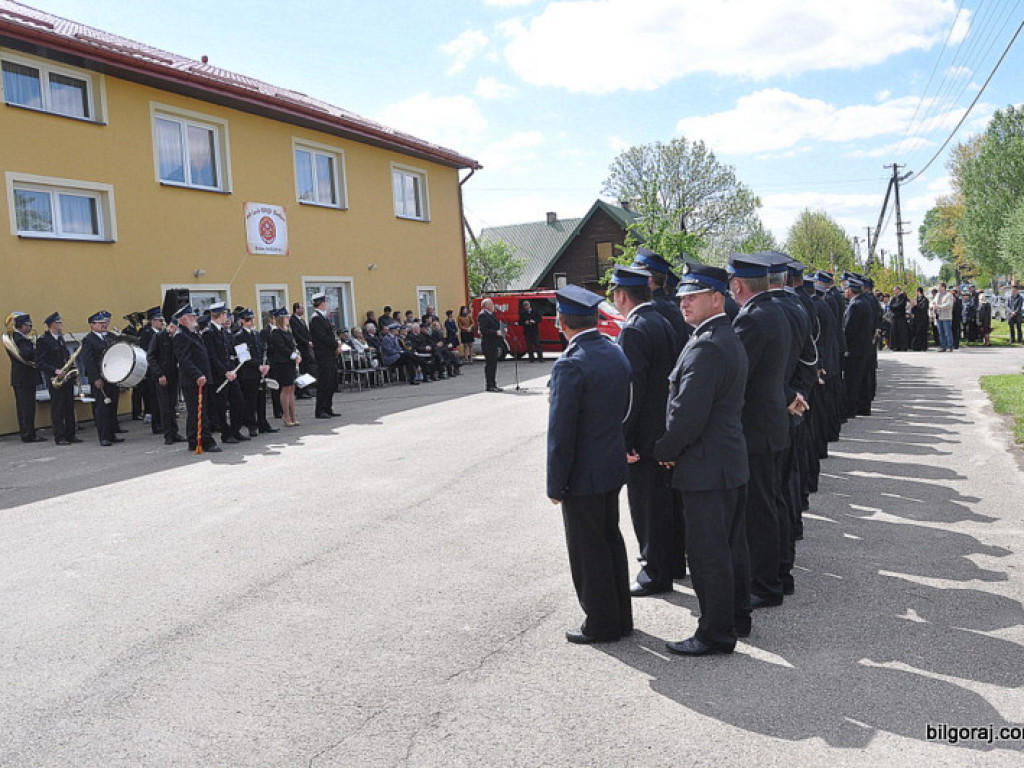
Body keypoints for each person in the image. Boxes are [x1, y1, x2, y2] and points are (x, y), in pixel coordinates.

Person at [655, 264, 751, 655]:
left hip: (706, 466)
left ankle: (714, 633)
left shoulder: (707, 345)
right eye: (681, 297)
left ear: (717, 297)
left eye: (692, 296)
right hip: (725, 461)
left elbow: (687, 414)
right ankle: (737, 617)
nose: (683, 303)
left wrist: (665, 450)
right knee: (730, 549)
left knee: (709, 554)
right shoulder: (722, 336)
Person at [547, 284, 633, 644]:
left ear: (560, 321)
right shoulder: (613, 352)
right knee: (610, 541)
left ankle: (601, 622)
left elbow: (561, 434)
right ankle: (619, 616)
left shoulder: (570, 364)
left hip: (583, 473)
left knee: (588, 550)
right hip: (610, 465)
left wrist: (555, 484)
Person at [608, 264, 680, 597]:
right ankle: (672, 562)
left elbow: (631, 390)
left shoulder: (634, 329)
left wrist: (624, 437)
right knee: (665, 504)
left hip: (645, 436)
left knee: (647, 506)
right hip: (662, 428)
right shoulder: (661, 320)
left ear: (621, 295)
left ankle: (655, 571)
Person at [728, 253, 791, 609]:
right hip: (771, 422)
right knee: (770, 501)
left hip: (756, 426)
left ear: (737, 285)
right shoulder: (775, 310)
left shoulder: (751, 319)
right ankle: (777, 574)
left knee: (758, 509)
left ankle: (765, 584)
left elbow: (739, 374)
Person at [171, 305, 220, 453]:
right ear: (183, 319)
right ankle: (206, 441)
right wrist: (197, 374)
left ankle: (193, 439)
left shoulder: (192, 333)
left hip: (201, 377)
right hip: (193, 380)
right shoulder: (181, 335)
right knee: (199, 411)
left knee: (197, 411)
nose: (195, 319)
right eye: (192, 317)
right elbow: (184, 360)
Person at [203, 303, 249, 445]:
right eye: (225, 314)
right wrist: (224, 372)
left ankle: (235, 430)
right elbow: (212, 356)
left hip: (230, 373)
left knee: (239, 401)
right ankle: (226, 433)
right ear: (220, 315)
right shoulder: (208, 332)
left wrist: (241, 356)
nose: (227, 318)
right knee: (221, 407)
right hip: (219, 376)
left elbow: (229, 351)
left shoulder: (224, 331)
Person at [78, 310, 123, 447]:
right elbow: (88, 361)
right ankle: (104, 436)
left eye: (105, 323)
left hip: (112, 376)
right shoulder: (88, 340)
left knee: (112, 406)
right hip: (100, 378)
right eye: (100, 323)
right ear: (92, 325)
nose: (104, 325)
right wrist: (95, 378)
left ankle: (112, 434)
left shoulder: (109, 336)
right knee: (102, 408)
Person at [35, 312, 80, 446]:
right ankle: (60, 437)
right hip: (55, 379)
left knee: (69, 406)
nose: (62, 325)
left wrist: (72, 370)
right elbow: (39, 362)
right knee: (58, 408)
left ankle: (71, 435)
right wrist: (55, 371)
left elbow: (65, 356)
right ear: (53, 325)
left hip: (66, 377)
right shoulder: (43, 341)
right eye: (60, 323)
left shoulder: (60, 338)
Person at [234, 308, 277, 436]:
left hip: (260, 371)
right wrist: (258, 366)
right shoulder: (239, 336)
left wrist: (266, 365)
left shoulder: (256, 334)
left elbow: (262, 352)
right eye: (248, 320)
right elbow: (243, 357)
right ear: (241, 321)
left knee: (261, 399)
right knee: (250, 400)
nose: (251, 321)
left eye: (252, 319)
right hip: (248, 372)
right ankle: (251, 424)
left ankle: (263, 423)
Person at [5, 312, 46, 443]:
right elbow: (27, 354)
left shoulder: (18, 337)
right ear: (22, 326)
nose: (30, 328)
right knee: (26, 408)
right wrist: (37, 348)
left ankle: (28, 432)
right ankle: (28, 434)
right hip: (24, 378)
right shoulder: (19, 339)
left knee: (25, 407)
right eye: (28, 325)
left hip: (22, 378)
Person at [147, 314, 186, 445]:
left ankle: (175, 432)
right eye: (174, 327)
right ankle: (168, 435)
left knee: (172, 406)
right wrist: (159, 374)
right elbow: (151, 357)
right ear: (170, 326)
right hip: (162, 377)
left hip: (174, 376)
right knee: (165, 407)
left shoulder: (177, 338)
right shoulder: (158, 337)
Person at [266, 308, 301, 426]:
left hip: (290, 363)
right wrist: (292, 355)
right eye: (286, 317)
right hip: (282, 363)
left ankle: (293, 415)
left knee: (292, 388)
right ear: (280, 319)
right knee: (286, 389)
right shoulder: (276, 332)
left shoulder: (287, 331)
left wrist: (297, 354)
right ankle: (286, 414)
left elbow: (293, 346)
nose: (288, 319)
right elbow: (281, 347)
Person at [309, 293, 341, 419]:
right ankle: (321, 409)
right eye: (325, 302)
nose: (326, 304)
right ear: (321, 303)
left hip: (329, 354)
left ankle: (328, 407)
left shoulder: (322, 317)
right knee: (324, 382)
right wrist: (335, 345)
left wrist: (336, 344)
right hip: (323, 355)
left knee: (331, 382)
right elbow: (322, 338)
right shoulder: (316, 318)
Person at [289, 302, 314, 399]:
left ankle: (306, 389)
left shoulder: (302, 321)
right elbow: (296, 335)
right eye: (301, 308)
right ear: (296, 309)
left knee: (306, 369)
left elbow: (307, 333)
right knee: (301, 370)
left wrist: (310, 340)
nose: (303, 310)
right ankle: (300, 391)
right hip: (300, 348)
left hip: (306, 349)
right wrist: (306, 342)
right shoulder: (293, 320)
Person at [478, 298, 503, 392]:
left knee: (494, 365)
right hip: (488, 343)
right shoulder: (482, 315)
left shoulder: (492, 314)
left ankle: (494, 384)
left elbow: (495, 325)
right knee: (490, 365)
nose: (493, 305)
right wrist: (495, 332)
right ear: (486, 306)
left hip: (494, 343)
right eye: (491, 304)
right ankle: (489, 385)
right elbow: (483, 330)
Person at [933, 282, 955, 352]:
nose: (938, 288)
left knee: (947, 332)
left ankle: (950, 346)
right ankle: (943, 346)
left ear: (943, 287)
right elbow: (933, 302)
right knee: (941, 332)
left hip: (946, 316)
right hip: (939, 316)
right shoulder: (937, 295)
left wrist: (939, 307)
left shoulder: (949, 295)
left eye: (939, 287)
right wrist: (933, 306)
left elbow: (949, 304)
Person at [889, 287, 909, 351]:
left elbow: (900, 305)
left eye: (895, 290)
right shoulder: (894, 298)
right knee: (895, 331)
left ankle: (903, 346)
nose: (894, 291)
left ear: (898, 290)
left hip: (901, 317)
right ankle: (896, 346)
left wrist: (894, 306)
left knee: (902, 332)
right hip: (894, 317)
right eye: (894, 290)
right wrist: (894, 306)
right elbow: (890, 306)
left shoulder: (902, 297)